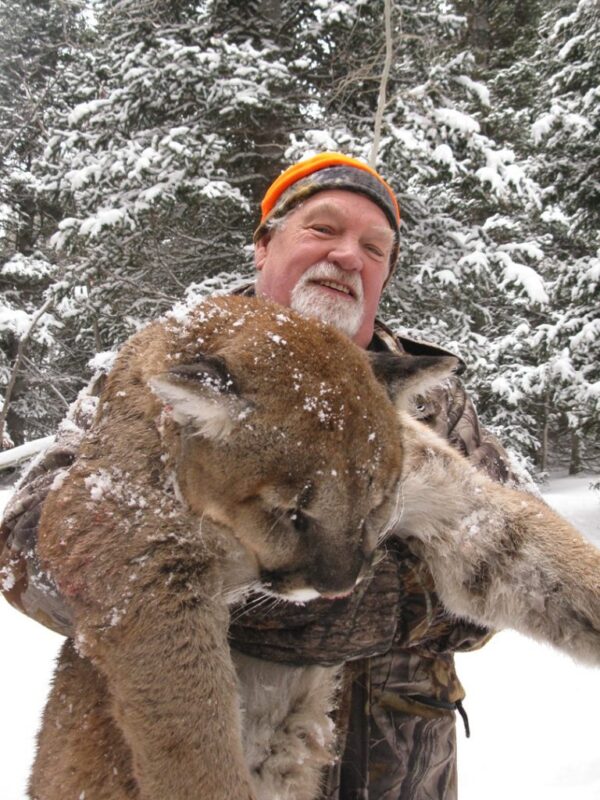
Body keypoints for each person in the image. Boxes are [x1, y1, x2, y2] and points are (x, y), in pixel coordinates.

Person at [0, 152, 512, 799]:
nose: (348, 256)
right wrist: (196, 593)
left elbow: (497, 584)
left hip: (387, 767)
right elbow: (22, 548)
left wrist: (361, 603)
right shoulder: (175, 369)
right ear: (264, 246)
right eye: (323, 229)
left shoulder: (429, 398)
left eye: (374, 248)